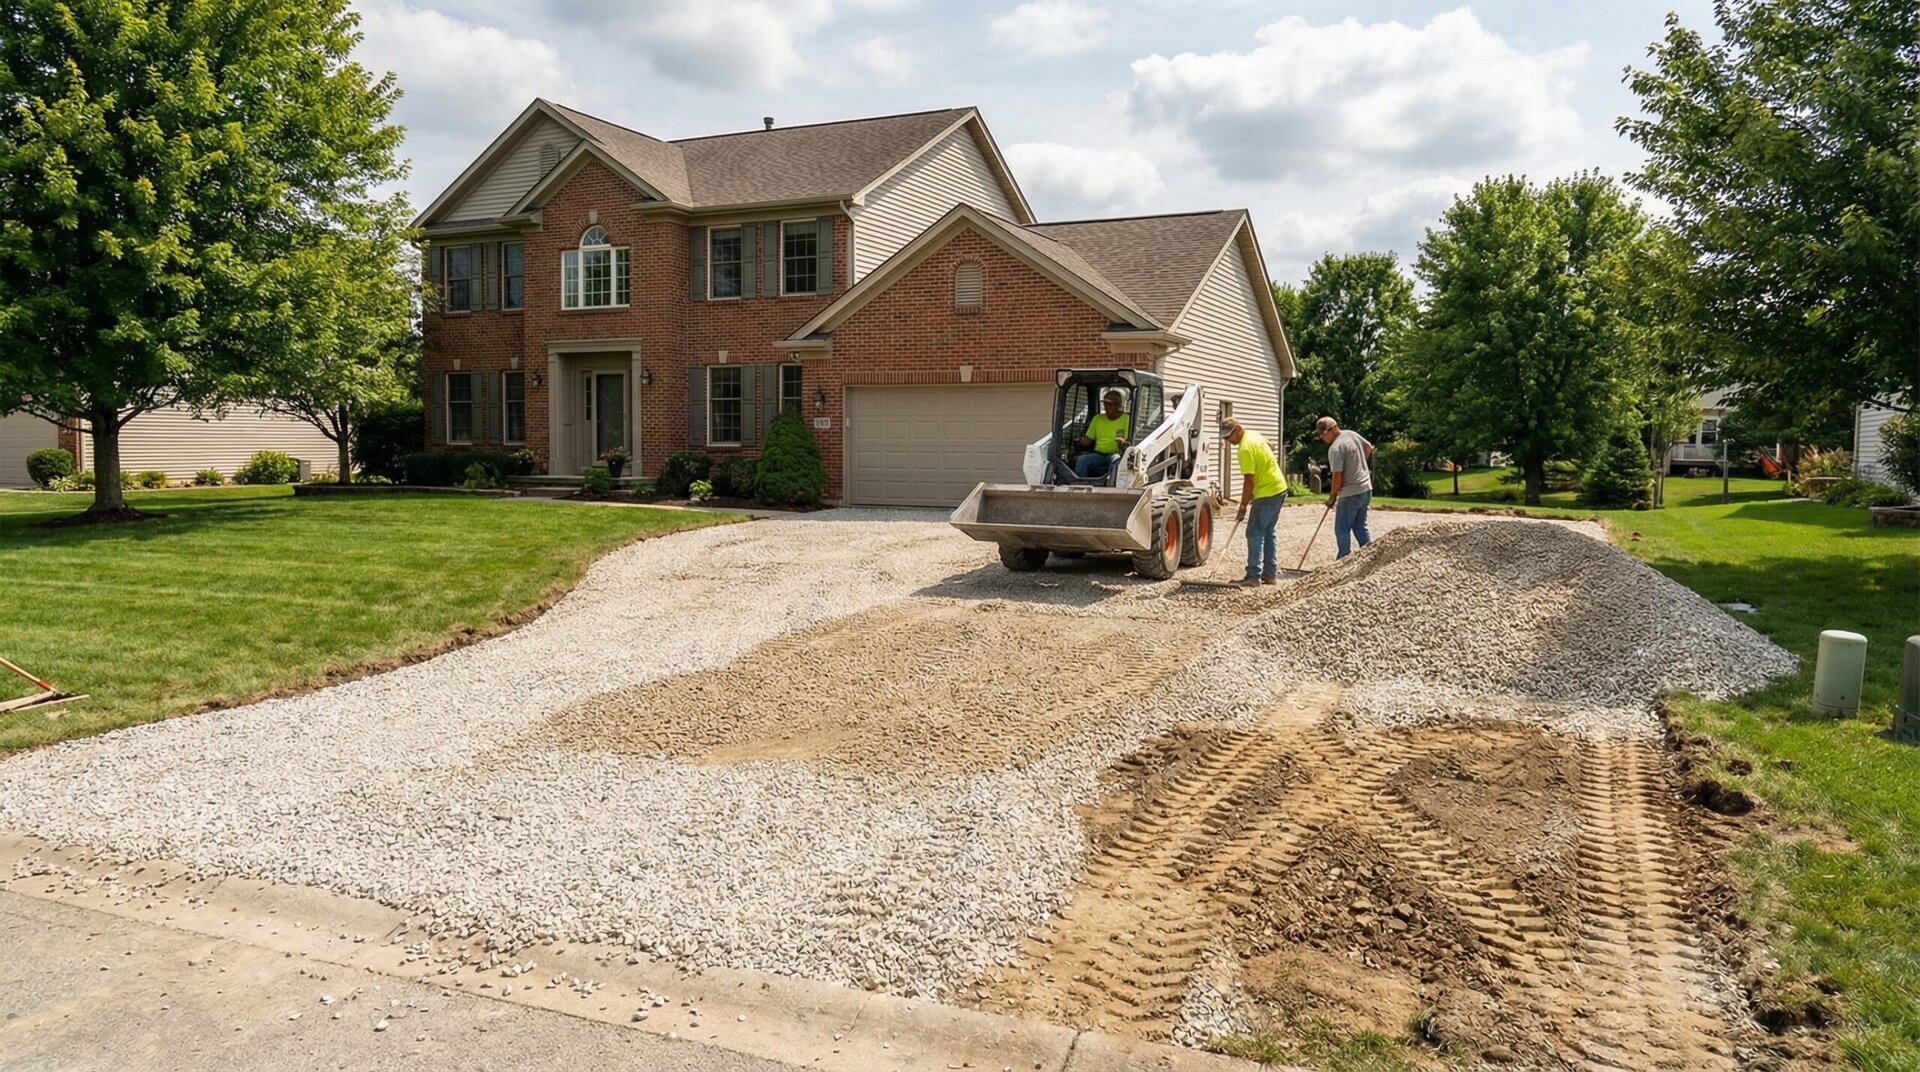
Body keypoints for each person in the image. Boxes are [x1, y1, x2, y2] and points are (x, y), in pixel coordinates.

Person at [1221, 418, 1287, 585]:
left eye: (1229, 436)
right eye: (1225, 438)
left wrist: (1243, 505)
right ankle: (1269, 574)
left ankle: (1253, 576)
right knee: (1268, 531)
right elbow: (1271, 445)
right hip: (1279, 487)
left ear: (1238, 429)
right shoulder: (1254, 435)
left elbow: (1249, 481)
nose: (1228, 441)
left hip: (1267, 492)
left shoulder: (1245, 448)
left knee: (1254, 533)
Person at [1317, 416, 1374, 558]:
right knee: (1360, 526)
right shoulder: (1351, 434)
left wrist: (1332, 496)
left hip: (1350, 493)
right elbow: (1368, 448)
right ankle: (1370, 557)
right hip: (1366, 488)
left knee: (1342, 528)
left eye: (1323, 434)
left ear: (1332, 429)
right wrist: (1359, 465)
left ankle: (1343, 558)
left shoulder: (1336, 449)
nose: (1322, 437)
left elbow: (1337, 475)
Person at [1073, 390, 1131, 478]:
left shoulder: (1127, 419)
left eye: (1110, 404)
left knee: (1116, 461)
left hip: (1115, 453)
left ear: (1118, 405)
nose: (1106, 407)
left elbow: (1128, 441)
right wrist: (1080, 440)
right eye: (1105, 404)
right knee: (1081, 460)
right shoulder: (1097, 419)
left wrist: (1123, 442)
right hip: (1098, 454)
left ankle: (1111, 484)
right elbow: (1088, 440)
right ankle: (1079, 484)